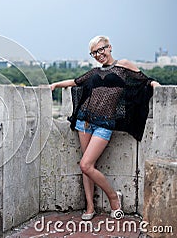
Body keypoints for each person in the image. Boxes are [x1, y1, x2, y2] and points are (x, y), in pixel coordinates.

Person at [50, 35, 160, 220]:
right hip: (84, 121)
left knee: (85, 165)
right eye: (94, 52)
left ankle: (113, 198)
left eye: (101, 49)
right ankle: (90, 207)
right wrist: (55, 84)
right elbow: (76, 82)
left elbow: (144, 80)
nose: (99, 54)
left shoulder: (123, 66)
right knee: (87, 165)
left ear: (109, 47)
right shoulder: (94, 72)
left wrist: (157, 86)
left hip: (105, 124)